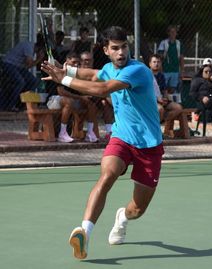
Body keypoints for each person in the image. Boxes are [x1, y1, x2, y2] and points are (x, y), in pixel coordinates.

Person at [41, 26, 164, 259]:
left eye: (124, 47)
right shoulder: (109, 68)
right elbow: (95, 75)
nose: (121, 53)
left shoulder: (137, 70)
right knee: (107, 175)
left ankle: (122, 218)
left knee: (137, 209)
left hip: (149, 147)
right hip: (121, 138)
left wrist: (64, 78)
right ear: (106, 50)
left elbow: (102, 88)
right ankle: (84, 233)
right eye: (115, 48)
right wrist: (64, 69)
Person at [47, 51, 99, 143]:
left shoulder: (76, 74)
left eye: (77, 63)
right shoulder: (59, 72)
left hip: (72, 100)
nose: (76, 65)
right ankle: (62, 133)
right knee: (69, 101)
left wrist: (85, 97)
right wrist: (81, 98)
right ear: (67, 62)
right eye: (73, 62)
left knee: (91, 104)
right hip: (54, 100)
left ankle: (90, 133)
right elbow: (61, 92)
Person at [79, 50, 114, 140]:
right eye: (85, 60)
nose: (88, 62)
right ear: (81, 61)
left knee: (105, 102)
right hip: (80, 99)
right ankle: (90, 132)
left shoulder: (96, 73)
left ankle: (109, 132)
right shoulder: (77, 72)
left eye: (90, 60)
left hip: (95, 98)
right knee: (91, 103)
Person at [0, 41, 43, 111]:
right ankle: (10, 106)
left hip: (18, 67)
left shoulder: (32, 49)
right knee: (20, 82)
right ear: (40, 49)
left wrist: (38, 60)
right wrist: (39, 59)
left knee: (33, 81)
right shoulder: (29, 47)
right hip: (8, 64)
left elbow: (26, 66)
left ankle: (22, 104)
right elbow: (29, 65)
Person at [149, 54, 183, 138]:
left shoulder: (161, 75)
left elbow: (164, 90)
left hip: (161, 99)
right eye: (154, 62)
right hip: (151, 100)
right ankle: (156, 131)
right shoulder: (147, 75)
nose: (156, 64)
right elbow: (146, 92)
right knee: (160, 109)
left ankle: (161, 120)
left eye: (158, 62)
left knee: (178, 108)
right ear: (149, 64)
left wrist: (165, 98)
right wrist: (157, 99)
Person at [158, 25, 185, 101]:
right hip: (165, 70)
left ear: (176, 33)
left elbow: (181, 58)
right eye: (171, 32)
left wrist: (182, 70)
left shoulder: (179, 44)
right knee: (164, 88)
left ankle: (171, 103)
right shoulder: (163, 43)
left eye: (175, 32)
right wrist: (161, 69)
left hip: (175, 70)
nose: (173, 33)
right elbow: (160, 57)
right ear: (168, 33)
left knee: (173, 89)